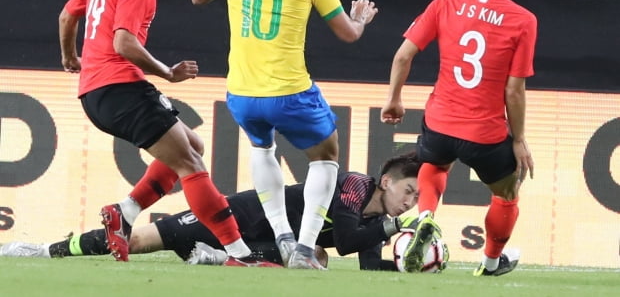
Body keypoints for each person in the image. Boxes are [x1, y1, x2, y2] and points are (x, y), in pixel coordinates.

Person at [58, 0, 276, 267]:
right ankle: (238, 253)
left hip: (96, 91)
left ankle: (124, 212)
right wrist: (168, 73)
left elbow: (66, 15)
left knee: (190, 144)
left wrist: (69, 57)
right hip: (119, 87)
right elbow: (123, 42)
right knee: (191, 162)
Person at [190, 0, 378, 269]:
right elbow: (347, 34)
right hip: (289, 91)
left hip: (241, 93)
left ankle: (282, 235)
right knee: (326, 155)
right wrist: (360, 19)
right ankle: (306, 250)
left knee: (262, 149)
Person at [381, 0, 537, 276]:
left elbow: (403, 56)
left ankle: (425, 218)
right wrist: (518, 139)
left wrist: (394, 100)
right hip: (484, 133)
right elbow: (514, 90)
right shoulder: (523, 20)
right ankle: (491, 262)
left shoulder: (444, 4)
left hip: (438, 124)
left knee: (434, 167)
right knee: (507, 191)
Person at [1, 153, 424, 271]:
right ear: (386, 180)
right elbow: (350, 240)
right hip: (245, 214)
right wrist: (394, 225)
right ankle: (42, 250)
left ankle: (220, 258)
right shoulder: (353, 185)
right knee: (138, 241)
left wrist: (411, 264)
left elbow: (367, 263)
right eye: (408, 191)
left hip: (273, 241)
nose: (410, 202)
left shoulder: (372, 217)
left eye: (415, 197)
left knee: (317, 257)